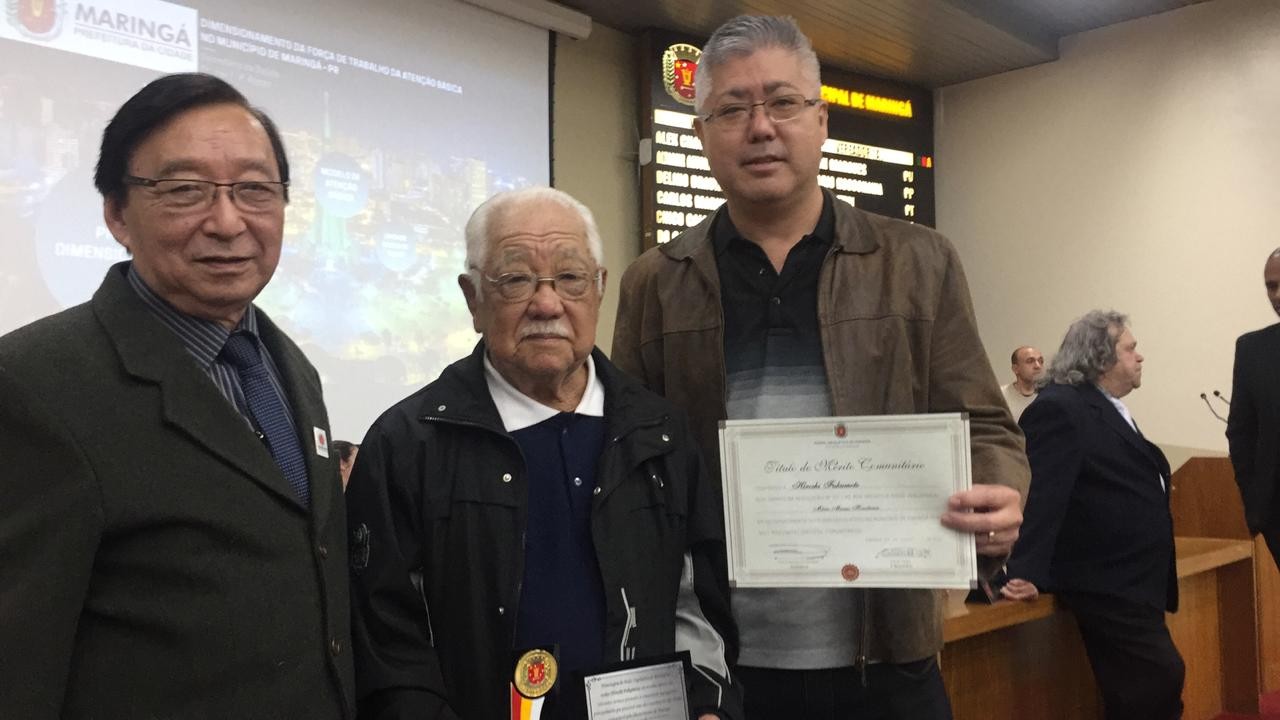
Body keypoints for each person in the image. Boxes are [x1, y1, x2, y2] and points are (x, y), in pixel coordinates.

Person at [612, 15, 1029, 719]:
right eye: (733, 109)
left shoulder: (919, 261)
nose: (760, 126)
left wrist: (998, 488)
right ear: (702, 134)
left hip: (890, 656)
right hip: (724, 666)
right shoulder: (655, 282)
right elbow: (632, 466)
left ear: (821, 119)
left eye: (782, 102)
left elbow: (986, 423)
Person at [0, 73, 353, 718]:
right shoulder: (32, 384)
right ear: (116, 213)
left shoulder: (291, 368)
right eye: (185, 190)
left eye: (254, 190)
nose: (227, 222)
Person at [346, 187, 741, 720]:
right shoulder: (407, 444)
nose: (547, 304)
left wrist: (706, 706)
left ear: (599, 288)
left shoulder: (660, 433)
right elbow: (388, 642)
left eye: (571, 278)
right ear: (472, 299)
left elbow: (696, 604)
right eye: (515, 279)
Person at [1002, 311, 1182, 720]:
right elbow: (1043, 491)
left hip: (1133, 578)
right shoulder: (1060, 408)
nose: (1140, 357)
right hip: (1104, 579)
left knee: (1149, 688)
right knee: (1158, 679)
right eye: (1130, 349)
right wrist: (1025, 569)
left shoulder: (1105, 406)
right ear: (1101, 358)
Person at [1228, 248, 1280, 567]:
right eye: (1271, 286)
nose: (1277, 294)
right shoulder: (1252, 350)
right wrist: (1255, 502)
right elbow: (1241, 432)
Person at [1001, 345, 1044, 421]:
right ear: (1015, 369)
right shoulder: (1001, 395)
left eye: (1041, 361)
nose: (1038, 366)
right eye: (1030, 361)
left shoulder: (1048, 394)